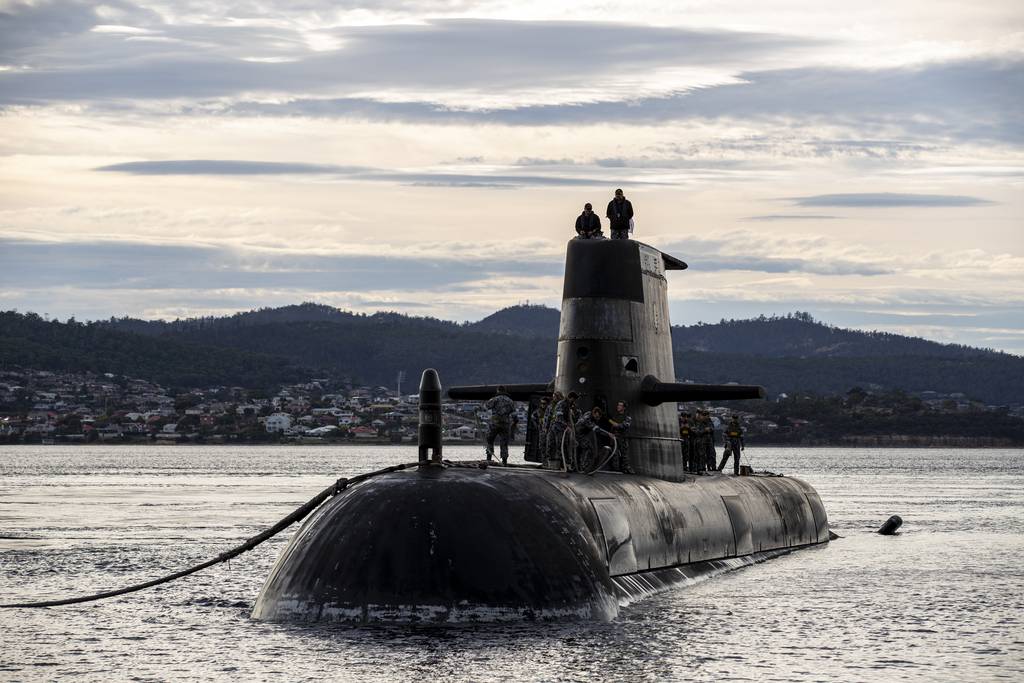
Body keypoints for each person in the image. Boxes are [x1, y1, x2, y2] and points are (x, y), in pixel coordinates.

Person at [549, 391, 580, 470]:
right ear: (571, 398)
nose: (574, 402)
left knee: (566, 446)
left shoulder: (568, 405)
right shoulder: (562, 404)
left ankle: (567, 464)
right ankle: (562, 465)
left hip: (563, 429)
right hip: (558, 428)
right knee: (561, 446)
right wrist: (567, 426)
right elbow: (559, 417)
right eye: (574, 400)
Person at [483, 386, 515, 464]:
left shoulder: (495, 399)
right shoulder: (510, 401)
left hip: (495, 423)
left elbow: (486, 407)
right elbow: (514, 414)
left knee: (490, 440)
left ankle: (489, 458)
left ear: (498, 391)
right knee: (504, 442)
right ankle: (504, 460)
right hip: (505, 424)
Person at [575, 406, 606, 472]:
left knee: (579, 450)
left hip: (580, 434)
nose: (598, 419)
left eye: (599, 417)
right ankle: (585, 466)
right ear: (594, 413)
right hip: (578, 434)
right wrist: (608, 434)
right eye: (597, 417)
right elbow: (595, 428)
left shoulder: (589, 414)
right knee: (589, 448)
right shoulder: (588, 418)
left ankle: (577, 467)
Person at [607, 400, 633, 473]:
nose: (618, 406)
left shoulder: (627, 417)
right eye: (618, 405)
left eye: (620, 405)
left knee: (624, 453)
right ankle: (615, 468)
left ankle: (625, 468)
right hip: (615, 437)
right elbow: (612, 425)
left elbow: (625, 425)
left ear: (624, 407)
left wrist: (617, 425)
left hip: (622, 438)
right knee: (614, 453)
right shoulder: (615, 416)